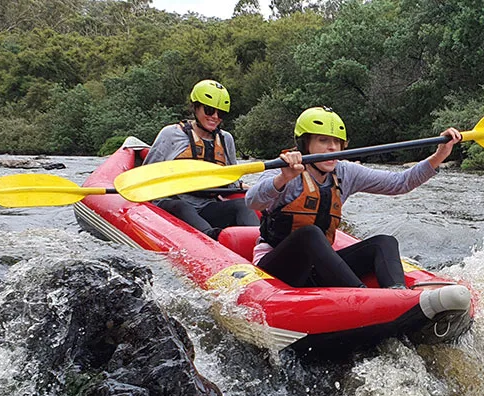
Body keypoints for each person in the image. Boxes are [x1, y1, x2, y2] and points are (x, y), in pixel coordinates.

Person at [245, 106, 461, 288]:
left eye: (337, 142)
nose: (332, 148)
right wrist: (283, 178)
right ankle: (361, 295)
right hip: (278, 269)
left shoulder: (345, 172)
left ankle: (398, 294)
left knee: (384, 243)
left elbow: (400, 183)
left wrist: (439, 155)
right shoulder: (285, 168)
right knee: (309, 234)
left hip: (319, 267)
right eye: (323, 140)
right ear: (304, 144)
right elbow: (252, 201)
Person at [143, 79, 259, 239]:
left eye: (221, 113)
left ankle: (258, 245)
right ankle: (212, 239)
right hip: (172, 203)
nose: (215, 117)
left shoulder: (226, 139)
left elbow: (230, 177)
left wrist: (243, 186)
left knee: (242, 206)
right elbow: (147, 174)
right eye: (209, 110)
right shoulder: (171, 134)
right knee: (183, 207)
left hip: (206, 205)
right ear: (195, 108)